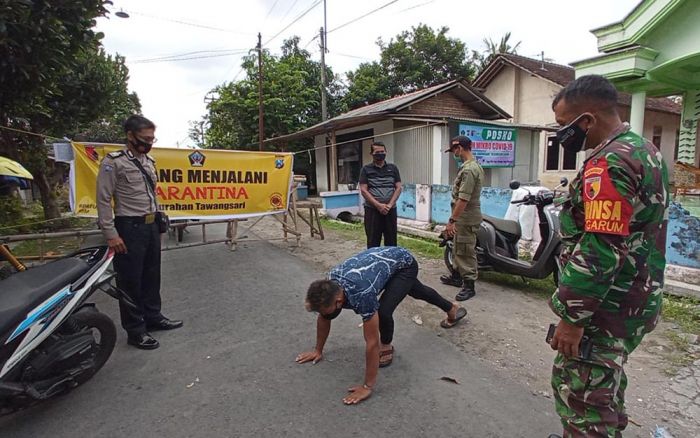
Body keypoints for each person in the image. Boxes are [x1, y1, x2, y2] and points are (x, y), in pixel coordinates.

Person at [547, 75, 669, 438]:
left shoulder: (608, 164)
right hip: (636, 294)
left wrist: (572, 316)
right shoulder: (644, 149)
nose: (560, 135)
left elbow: (600, 246)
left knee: (582, 397)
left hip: (607, 305)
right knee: (605, 389)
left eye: (562, 126)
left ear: (586, 121)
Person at [296, 246, 467, 405]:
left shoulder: (361, 294)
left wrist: (367, 386)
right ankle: (452, 308)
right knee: (417, 290)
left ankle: (388, 344)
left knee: (384, 312)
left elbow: (371, 343)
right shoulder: (330, 283)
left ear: (339, 301)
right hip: (384, 263)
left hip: (404, 264)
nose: (322, 314)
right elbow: (324, 317)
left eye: (324, 310)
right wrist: (317, 350)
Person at [96, 115, 183, 350]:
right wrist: (111, 234)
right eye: (145, 138)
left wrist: (159, 219)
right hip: (129, 227)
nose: (149, 143)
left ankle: (153, 318)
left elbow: (151, 194)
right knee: (130, 281)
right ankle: (135, 331)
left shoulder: (149, 161)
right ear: (130, 135)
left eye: (152, 138)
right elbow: (103, 200)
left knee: (152, 276)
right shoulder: (113, 162)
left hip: (150, 226)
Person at [439, 136, 483, 301]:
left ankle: (469, 286)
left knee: (465, 250)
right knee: (457, 247)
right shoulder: (469, 166)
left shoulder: (469, 170)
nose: (453, 154)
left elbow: (463, 199)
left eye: (453, 150)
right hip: (463, 216)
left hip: (466, 216)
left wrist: (452, 221)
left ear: (459, 148)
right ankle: (457, 277)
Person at [359, 141, 402, 248]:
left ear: (386, 152)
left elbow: (398, 187)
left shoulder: (393, 168)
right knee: (373, 241)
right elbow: (364, 190)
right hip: (372, 211)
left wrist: (389, 205)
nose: (380, 154)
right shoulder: (366, 169)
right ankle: (374, 263)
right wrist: (378, 205)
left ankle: (391, 264)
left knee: (391, 242)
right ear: (372, 154)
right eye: (377, 152)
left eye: (382, 151)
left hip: (390, 210)